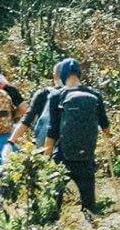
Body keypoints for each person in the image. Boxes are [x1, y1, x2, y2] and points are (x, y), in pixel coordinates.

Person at [39, 58, 111, 214]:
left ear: (63, 75)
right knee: (90, 206)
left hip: (62, 157)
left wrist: (46, 159)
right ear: (79, 73)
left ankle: (52, 227)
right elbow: (105, 127)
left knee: (53, 206)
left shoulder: (56, 96)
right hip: (86, 157)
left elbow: (52, 131)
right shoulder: (95, 94)